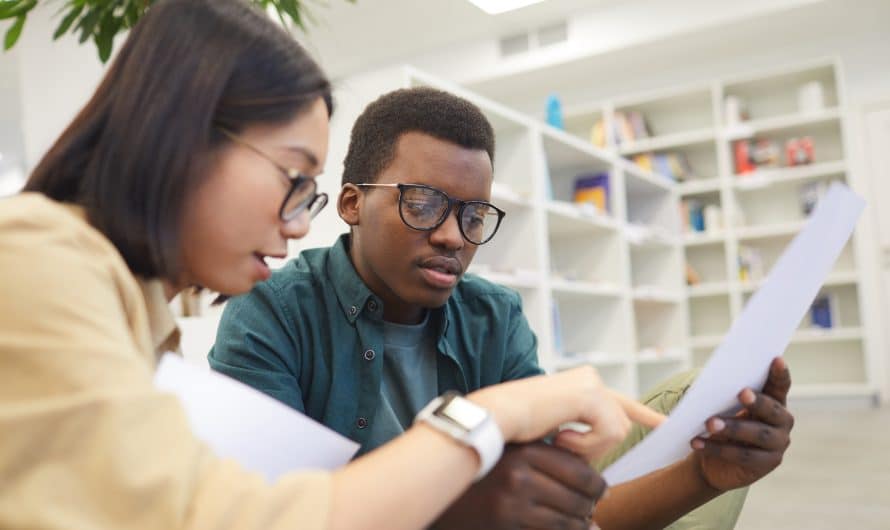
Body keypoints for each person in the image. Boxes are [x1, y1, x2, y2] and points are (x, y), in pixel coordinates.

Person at [0, 2, 664, 529]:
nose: (296, 220)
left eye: (472, 215)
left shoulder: (137, 313)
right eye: (293, 176)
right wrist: (494, 417)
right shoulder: (37, 259)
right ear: (183, 139)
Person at [210, 87, 796, 530]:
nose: (452, 237)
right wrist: (457, 510)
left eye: (473, 215)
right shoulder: (270, 314)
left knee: (706, 398)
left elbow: (565, 513)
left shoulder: (494, 317)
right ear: (351, 203)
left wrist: (705, 477)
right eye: (423, 204)